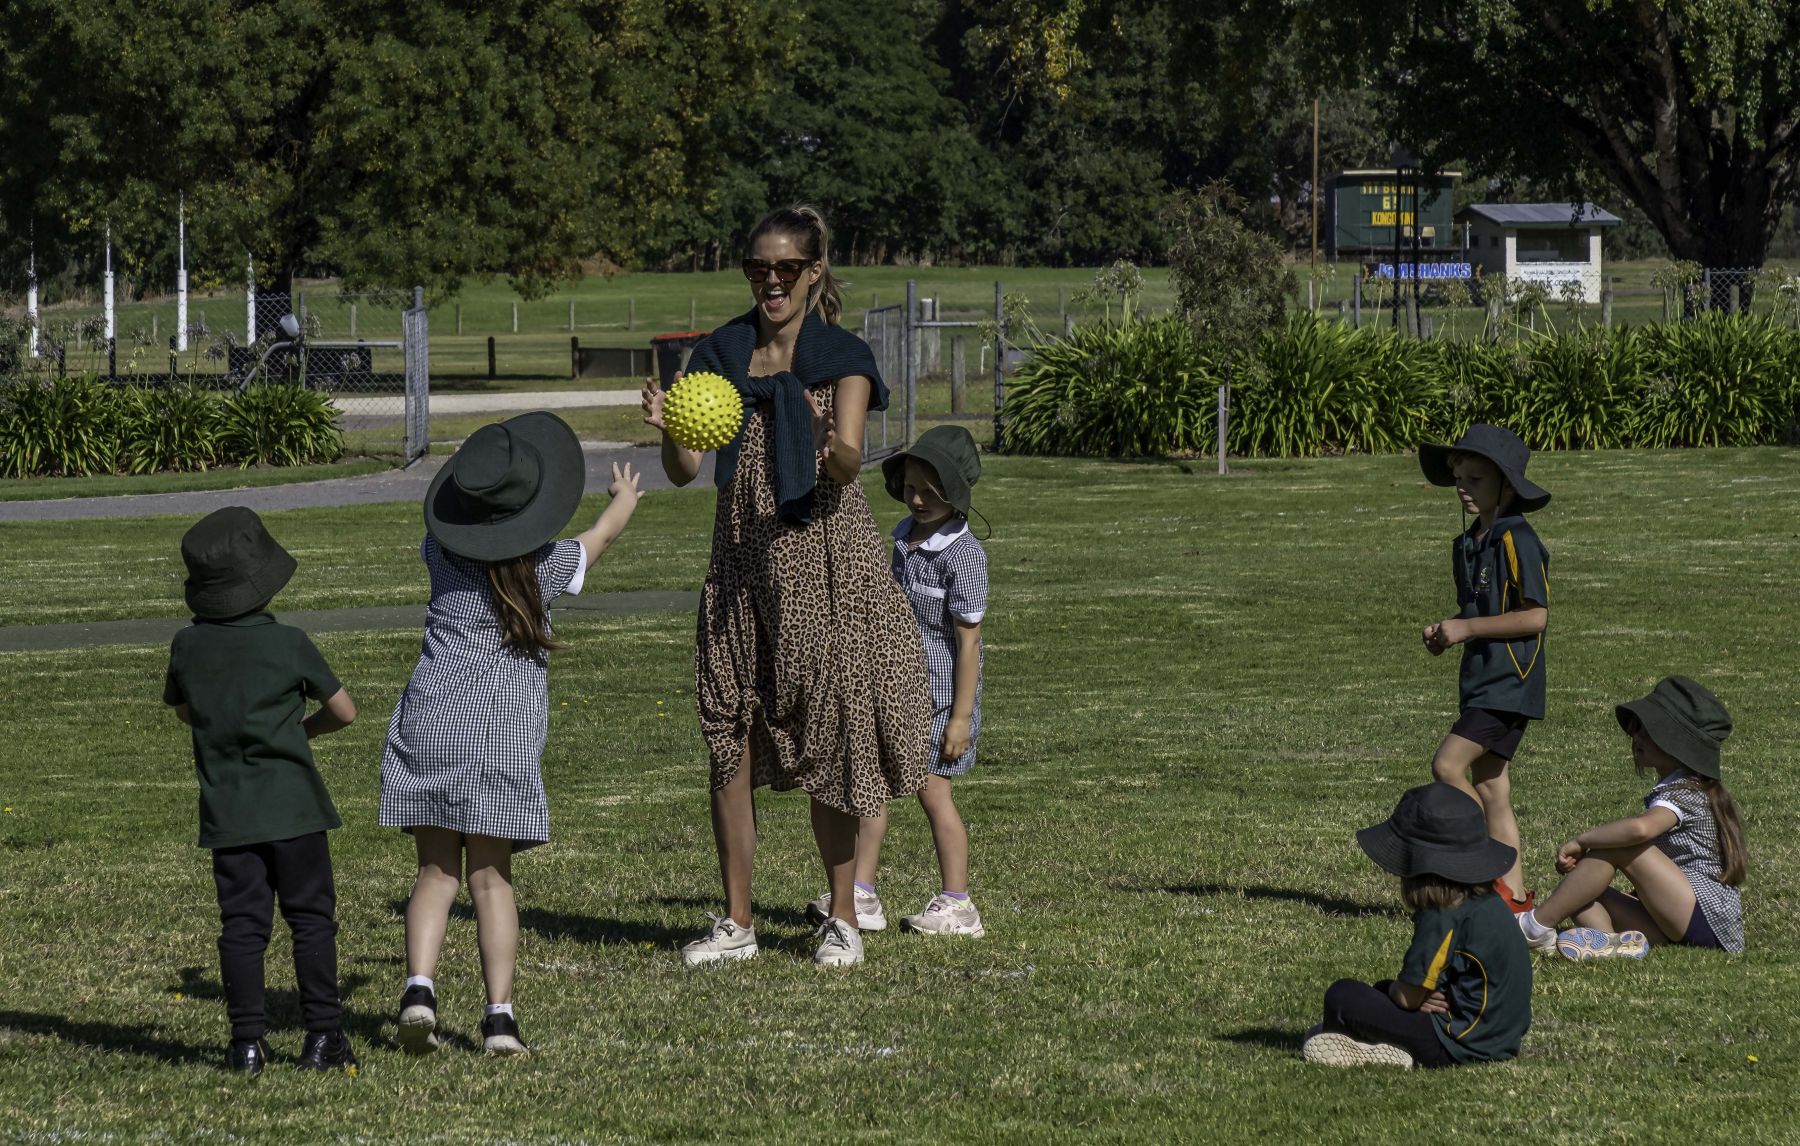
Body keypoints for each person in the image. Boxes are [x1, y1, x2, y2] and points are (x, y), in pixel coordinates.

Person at [640, 205, 932, 968]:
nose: (770, 281)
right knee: (726, 726)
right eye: (758, 268)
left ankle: (842, 917)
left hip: (821, 556)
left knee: (828, 728)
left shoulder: (841, 357)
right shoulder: (721, 351)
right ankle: (738, 923)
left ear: (813, 272)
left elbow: (848, 464)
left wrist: (826, 435)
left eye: (785, 269)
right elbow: (684, 470)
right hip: (740, 558)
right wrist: (672, 429)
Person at [380, 413, 640, 1054]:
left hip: (430, 724)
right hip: (503, 740)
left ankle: (418, 990)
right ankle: (499, 1020)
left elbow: (449, 530)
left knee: (434, 873)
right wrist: (624, 499)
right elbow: (601, 536)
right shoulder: (546, 568)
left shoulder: (439, 553)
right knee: (491, 880)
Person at [163, 506, 360, 1075]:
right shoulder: (290, 642)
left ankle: (246, 1042)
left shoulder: (187, 646)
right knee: (311, 920)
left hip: (229, 812)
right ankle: (323, 1036)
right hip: (295, 808)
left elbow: (184, 711)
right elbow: (344, 711)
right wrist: (300, 731)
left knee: (243, 926)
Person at [804, 425, 989, 937]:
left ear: (957, 492)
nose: (917, 499)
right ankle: (861, 894)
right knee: (873, 785)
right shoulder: (904, 538)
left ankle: (959, 904)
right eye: (910, 487)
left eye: (931, 491)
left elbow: (969, 643)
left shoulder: (964, 555)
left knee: (933, 792)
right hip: (893, 687)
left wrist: (960, 718)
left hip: (939, 701)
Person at [1304, 783, 1532, 1069]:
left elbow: (1408, 998)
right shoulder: (1486, 901)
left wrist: (1408, 996)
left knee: (1343, 996)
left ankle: (1385, 1049)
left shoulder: (1443, 914)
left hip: (1457, 1044)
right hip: (1497, 1038)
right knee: (1381, 990)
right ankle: (1377, 1044)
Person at [1517, 676, 1744, 960]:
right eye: (1636, 729)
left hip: (1707, 921)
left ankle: (1533, 926)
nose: (1637, 737)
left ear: (1676, 744)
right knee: (1579, 889)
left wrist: (1582, 840)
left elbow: (1640, 830)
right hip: (1676, 919)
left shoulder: (1688, 791)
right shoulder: (1678, 788)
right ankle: (1610, 944)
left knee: (1624, 846)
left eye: (1648, 731)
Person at [1418, 424, 1550, 913]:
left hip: (1510, 683)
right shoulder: (1467, 543)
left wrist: (1468, 629)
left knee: (1447, 766)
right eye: (1459, 478)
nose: (1463, 488)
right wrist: (1448, 631)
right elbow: (1477, 612)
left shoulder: (1518, 538)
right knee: (1492, 788)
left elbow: (1535, 617)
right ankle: (1514, 902)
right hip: (1480, 682)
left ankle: (1486, 875)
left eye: (1475, 479)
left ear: (1506, 485)